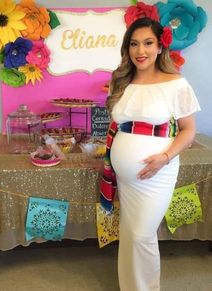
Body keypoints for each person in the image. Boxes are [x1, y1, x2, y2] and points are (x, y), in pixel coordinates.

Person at [100, 17, 201, 291]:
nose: (140, 51)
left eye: (147, 43)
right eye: (134, 44)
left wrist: (164, 157)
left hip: (158, 172)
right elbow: (119, 124)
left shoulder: (176, 83)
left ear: (160, 47)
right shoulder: (121, 81)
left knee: (142, 235)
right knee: (130, 233)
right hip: (127, 177)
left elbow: (188, 130)